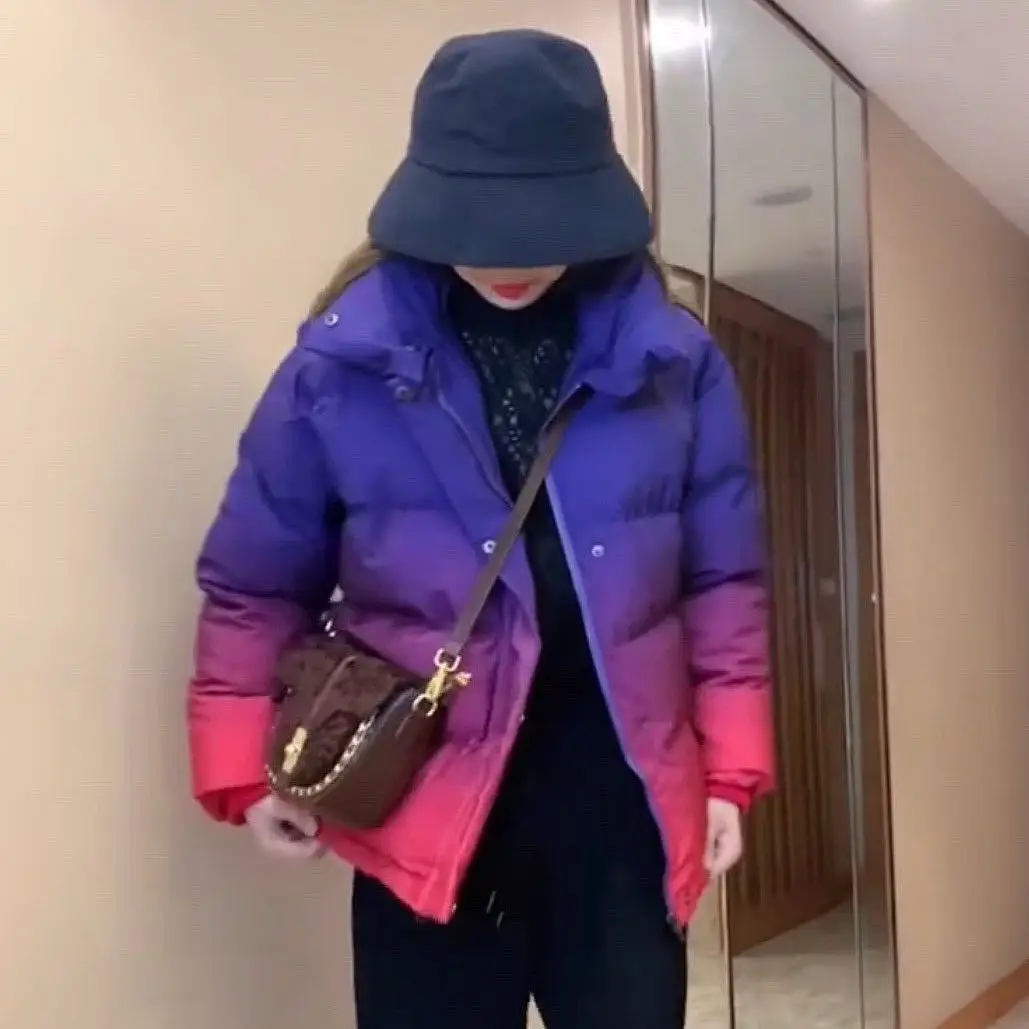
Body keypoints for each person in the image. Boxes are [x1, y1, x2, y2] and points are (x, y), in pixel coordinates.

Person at [187, 27, 774, 1029]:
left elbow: (723, 585)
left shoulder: (678, 365)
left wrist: (730, 770)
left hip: (618, 803)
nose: (508, 257)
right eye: (479, 220)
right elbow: (255, 580)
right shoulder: (340, 364)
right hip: (418, 800)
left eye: (538, 222)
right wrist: (244, 759)